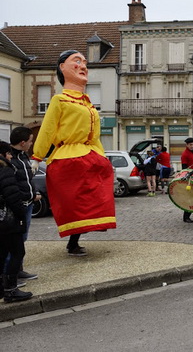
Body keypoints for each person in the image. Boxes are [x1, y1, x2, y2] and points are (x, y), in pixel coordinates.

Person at [32, 50, 116, 257]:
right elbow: (48, 129)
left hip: (89, 155)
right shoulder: (59, 100)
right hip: (68, 158)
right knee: (74, 204)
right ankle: (72, 242)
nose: (83, 66)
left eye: (85, 62)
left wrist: (102, 158)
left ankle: (75, 241)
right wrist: (37, 156)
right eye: (76, 61)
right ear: (62, 67)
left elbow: (94, 137)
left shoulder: (88, 104)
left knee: (96, 200)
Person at [0, 142, 33, 303]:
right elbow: (12, 196)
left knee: (2, 253)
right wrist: (21, 215)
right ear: (4, 155)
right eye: (9, 154)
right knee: (17, 252)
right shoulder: (5, 171)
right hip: (8, 221)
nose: (11, 156)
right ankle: (11, 290)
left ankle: (2, 287)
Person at [9, 127, 40, 282]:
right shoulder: (9, 160)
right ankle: (9, 276)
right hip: (17, 207)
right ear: (22, 143)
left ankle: (17, 270)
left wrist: (33, 195)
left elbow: (26, 180)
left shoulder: (24, 156)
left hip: (28, 205)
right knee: (13, 242)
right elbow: (10, 185)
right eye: (30, 141)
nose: (31, 143)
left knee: (22, 239)